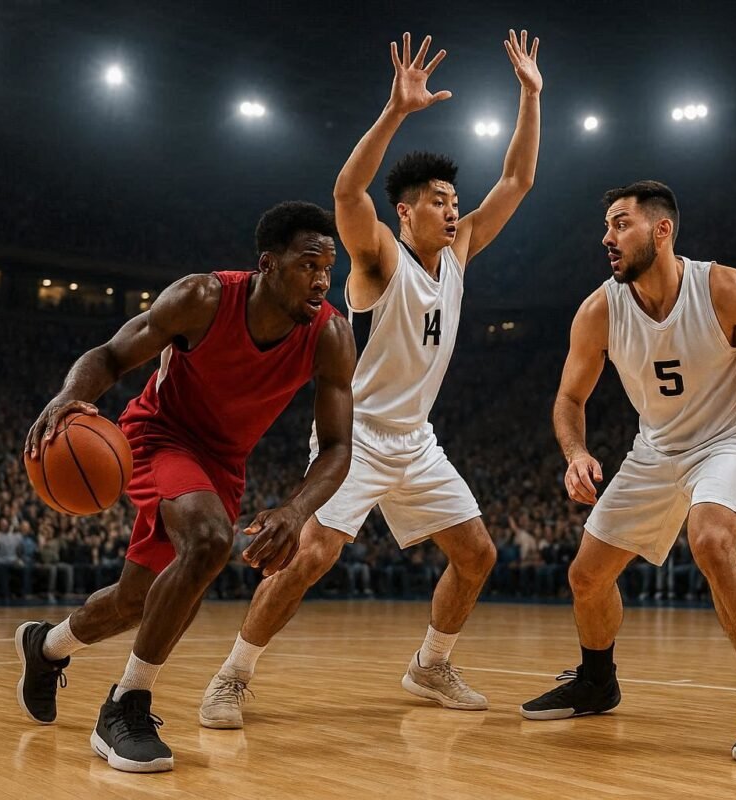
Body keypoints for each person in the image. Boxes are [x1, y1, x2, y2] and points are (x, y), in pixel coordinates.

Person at [199, 30, 541, 728]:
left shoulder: (461, 250)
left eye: (455, 200)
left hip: (417, 439)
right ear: (407, 212)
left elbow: (517, 182)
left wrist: (532, 97)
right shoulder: (381, 258)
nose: (454, 209)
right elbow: (347, 189)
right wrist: (395, 112)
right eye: (440, 201)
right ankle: (232, 676)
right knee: (310, 555)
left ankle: (430, 666)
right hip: (357, 438)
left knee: (477, 554)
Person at [15, 201, 357, 773]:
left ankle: (45, 648)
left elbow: (340, 447)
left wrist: (297, 512)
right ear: (267, 264)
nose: (322, 280)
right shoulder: (202, 298)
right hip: (158, 435)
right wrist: (65, 397)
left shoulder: (331, 336)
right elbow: (111, 355)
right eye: (308, 265)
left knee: (134, 603)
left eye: (329, 267)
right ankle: (125, 705)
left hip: (222, 463)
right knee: (208, 542)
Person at [519, 180, 736, 764]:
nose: (607, 237)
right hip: (654, 450)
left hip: (729, 440)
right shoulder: (599, 309)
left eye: (620, 223)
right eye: (605, 225)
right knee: (586, 578)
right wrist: (576, 454)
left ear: (662, 230)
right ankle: (597, 681)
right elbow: (568, 399)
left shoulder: (723, 287)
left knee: (710, 541)